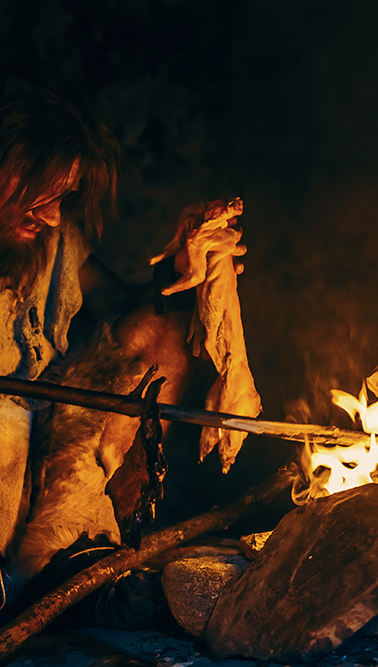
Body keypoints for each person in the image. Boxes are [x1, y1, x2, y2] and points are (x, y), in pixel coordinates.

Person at [0, 64, 252, 606]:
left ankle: (62, 556)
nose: (50, 215)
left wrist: (185, 271)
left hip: (44, 441)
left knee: (167, 328)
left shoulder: (51, 241)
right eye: (40, 194)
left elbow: (122, 306)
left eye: (63, 196)